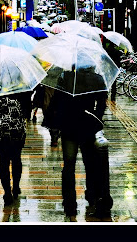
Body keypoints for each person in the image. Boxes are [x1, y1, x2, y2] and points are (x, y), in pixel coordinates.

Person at [45, 80, 113, 219]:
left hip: (68, 127)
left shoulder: (66, 78)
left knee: (69, 165)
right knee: (90, 164)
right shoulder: (96, 78)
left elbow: (56, 102)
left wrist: (53, 123)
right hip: (87, 126)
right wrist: (96, 118)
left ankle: (70, 205)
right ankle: (91, 195)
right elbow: (101, 103)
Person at [0, 92, 31, 205]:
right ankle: (16, 186)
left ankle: (7, 193)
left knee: (4, 161)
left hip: (0, 132)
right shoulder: (22, 87)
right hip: (17, 131)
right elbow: (27, 109)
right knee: (16, 158)